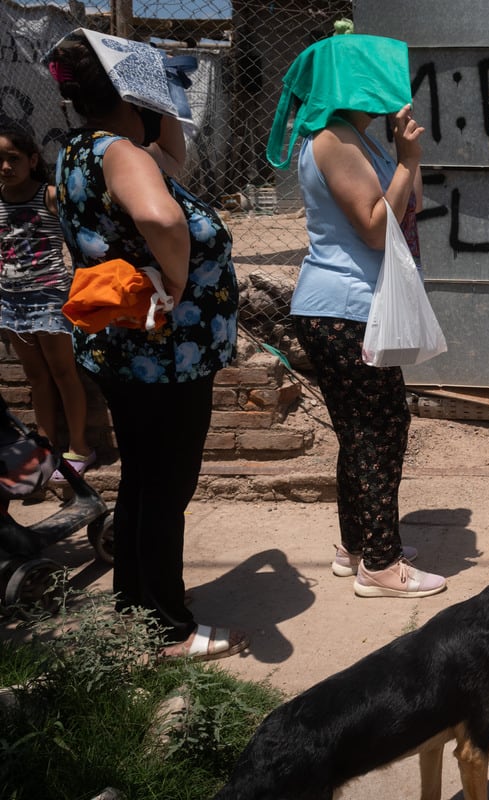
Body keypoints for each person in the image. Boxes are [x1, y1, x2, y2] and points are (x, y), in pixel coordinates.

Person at [46, 31, 245, 660]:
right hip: (165, 354)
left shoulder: (85, 148)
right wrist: (180, 277)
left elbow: (171, 166)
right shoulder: (123, 156)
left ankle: (135, 609)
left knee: (142, 480)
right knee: (165, 486)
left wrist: (165, 110)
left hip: (123, 347)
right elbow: (161, 218)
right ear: (131, 92)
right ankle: (166, 629)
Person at [271, 32, 445, 599]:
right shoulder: (331, 140)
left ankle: (358, 545)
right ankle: (381, 565)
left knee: (362, 430)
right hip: (344, 307)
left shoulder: (354, 137)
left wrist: (404, 158)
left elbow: (406, 200)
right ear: (354, 84)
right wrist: (410, 160)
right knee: (381, 428)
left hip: (354, 306)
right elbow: (376, 226)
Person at [0, 124, 95, 479]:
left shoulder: (49, 196)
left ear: (32, 160)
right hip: (10, 302)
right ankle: (47, 449)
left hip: (50, 297)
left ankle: (80, 447)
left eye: (14, 159)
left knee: (63, 373)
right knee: (36, 377)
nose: (6, 167)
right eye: (0, 161)